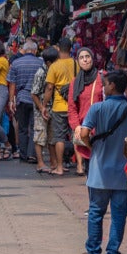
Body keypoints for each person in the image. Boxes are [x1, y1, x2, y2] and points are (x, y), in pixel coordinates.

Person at [76, 71, 127, 254]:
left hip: (99, 172)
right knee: (118, 216)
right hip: (123, 174)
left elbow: (85, 133)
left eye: (105, 84)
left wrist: (91, 146)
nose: (103, 88)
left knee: (96, 213)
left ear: (112, 85)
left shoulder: (97, 109)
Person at [68, 46, 106, 179]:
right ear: (78, 61)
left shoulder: (102, 77)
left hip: (102, 130)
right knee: (91, 171)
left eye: (87, 57)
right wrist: (77, 126)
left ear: (92, 58)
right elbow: (72, 108)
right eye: (81, 58)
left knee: (104, 169)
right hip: (86, 133)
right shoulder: (75, 82)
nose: (85, 60)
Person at [44, 38, 76, 177]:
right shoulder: (76, 64)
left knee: (59, 137)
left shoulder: (54, 66)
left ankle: (59, 167)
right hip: (74, 105)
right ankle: (80, 166)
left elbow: (50, 87)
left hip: (58, 106)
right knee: (76, 136)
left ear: (58, 49)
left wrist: (44, 105)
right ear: (71, 48)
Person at [7, 39, 42, 163]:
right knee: (33, 127)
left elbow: (12, 84)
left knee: (22, 128)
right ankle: (32, 154)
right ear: (35, 50)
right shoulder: (40, 63)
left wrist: (11, 101)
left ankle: (22, 154)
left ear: (24, 50)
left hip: (21, 98)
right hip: (36, 99)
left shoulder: (16, 63)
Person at [32, 47, 56, 173]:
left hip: (52, 107)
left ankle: (53, 162)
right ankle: (40, 163)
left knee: (52, 136)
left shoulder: (52, 71)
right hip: (41, 108)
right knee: (40, 135)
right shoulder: (40, 73)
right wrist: (42, 108)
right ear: (48, 62)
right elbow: (34, 93)